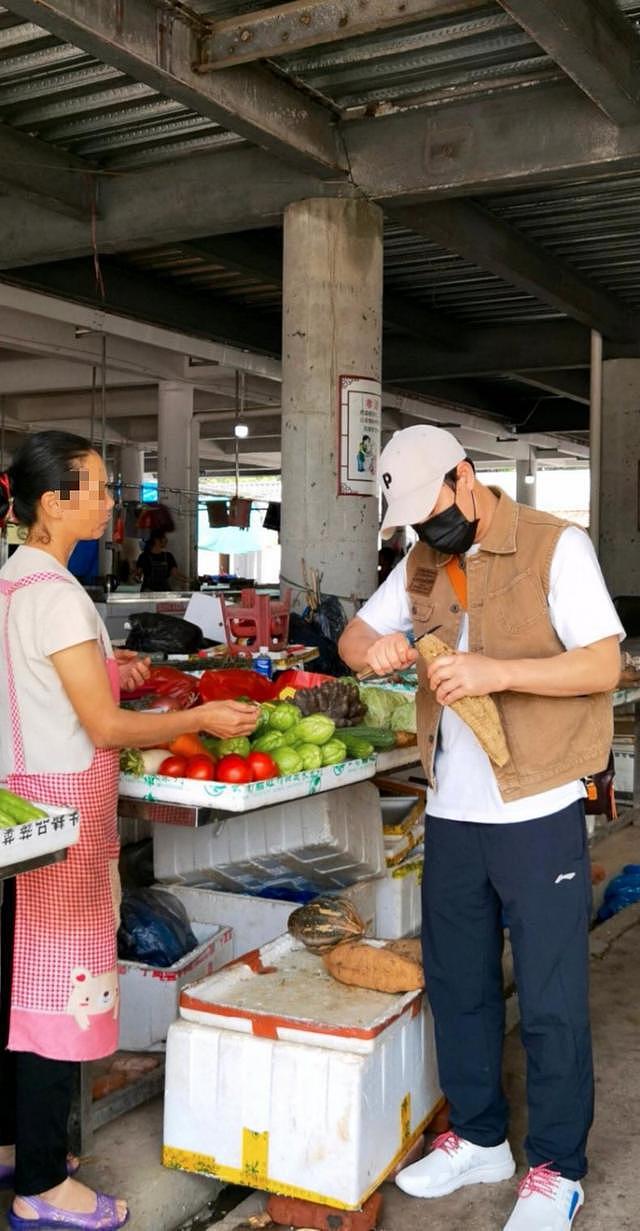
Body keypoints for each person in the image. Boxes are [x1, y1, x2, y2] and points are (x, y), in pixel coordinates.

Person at [339, 425, 623, 1231]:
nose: (432, 537)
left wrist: (499, 671)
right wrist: (376, 648)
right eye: (418, 528)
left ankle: (558, 1167)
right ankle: (482, 1137)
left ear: (467, 478)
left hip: (535, 810)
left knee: (550, 999)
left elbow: (603, 661)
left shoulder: (555, 547)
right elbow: (352, 634)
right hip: (454, 810)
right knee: (459, 986)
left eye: (438, 516)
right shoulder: (424, 559)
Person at [0, 433, 260, 1231]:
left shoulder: (16, 580)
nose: (115, 500)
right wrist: (203, 715)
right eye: (99, 487)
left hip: (25, 807)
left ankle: (17, 1142)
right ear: (55, 502)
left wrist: (111, 661)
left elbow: (51, 680)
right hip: (65, 818)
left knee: (19, 988)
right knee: (54, 999)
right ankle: (41, 1183)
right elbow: (106, 726)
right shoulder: (57, 595)